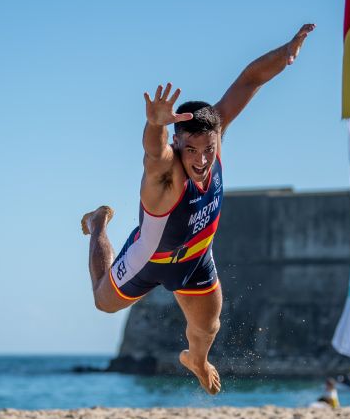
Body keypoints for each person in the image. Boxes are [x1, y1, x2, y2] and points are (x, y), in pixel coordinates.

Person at [80, 23, 316, 395]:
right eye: (192, 150)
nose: (203, 159)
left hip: (196, 259)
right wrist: (154, 123)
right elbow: (153, 150)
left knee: (208, 328)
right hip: (150, 258)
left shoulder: (213, 141)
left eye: (208, 148)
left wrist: (285, 54)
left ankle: (197, 360)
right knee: (103, 302)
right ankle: (98, 224)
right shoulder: (165, 172)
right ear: (178, 141)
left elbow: (249, 80)